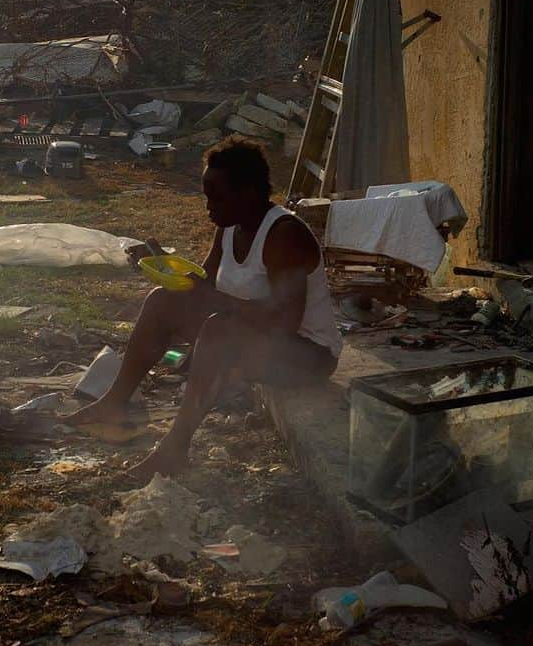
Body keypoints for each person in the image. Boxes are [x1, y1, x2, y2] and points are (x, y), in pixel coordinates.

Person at [67, 137, 342, 477]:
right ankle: (114, 401)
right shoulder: (229, 228)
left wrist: (213, 300)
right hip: (259, 340)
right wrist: (164, 265)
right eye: (207, 196)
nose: (209, 206)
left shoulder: (284, 236)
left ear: (248, 193)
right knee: (161, 301)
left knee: (218, 330)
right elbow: (203, 281)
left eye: (217, 197)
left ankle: (175, 448)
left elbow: (284, 323)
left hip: (307, 356)